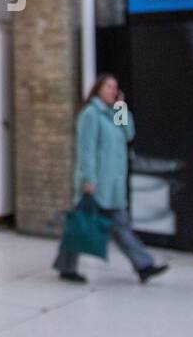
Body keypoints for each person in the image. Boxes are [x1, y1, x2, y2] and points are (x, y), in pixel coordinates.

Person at [54, 74, 168, 284]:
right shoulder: (91, 114)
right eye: (108, 86)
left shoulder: (112, 113)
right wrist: (89, 179)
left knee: (117, 225)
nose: (112, 90)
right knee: (81, 224)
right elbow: (86, 149)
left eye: (115, 87)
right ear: (98, 89)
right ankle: (142, 265)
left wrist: (122, 109)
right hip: (96, 184)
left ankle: (143, 265)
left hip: (113, 185)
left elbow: (128, 134)